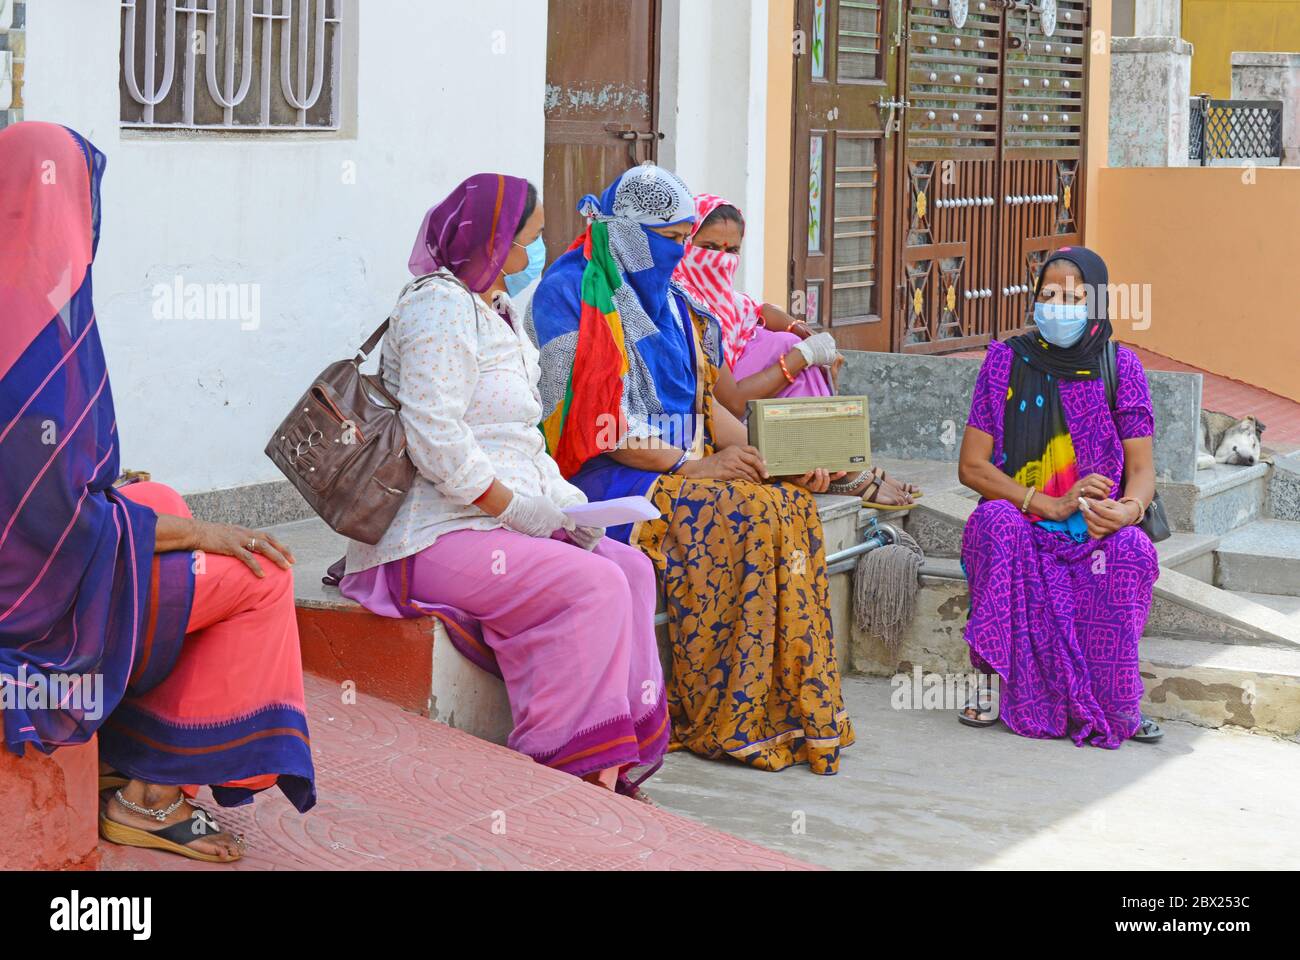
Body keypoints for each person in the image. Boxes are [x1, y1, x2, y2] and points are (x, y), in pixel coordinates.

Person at [0, 122, 315, 864]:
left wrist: (112, 488)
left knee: (164, 498)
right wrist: (206, 535)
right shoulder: (38, 326)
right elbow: (60, 527)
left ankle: (127, 744)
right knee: (264, 574)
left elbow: (38, 491)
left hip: (26, 559)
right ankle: (150, 796)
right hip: (27, 609)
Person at [337, 174, 667, 798]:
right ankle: (567, 761)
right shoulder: (438, 305)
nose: (531, 258)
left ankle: (615, 756)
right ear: (492, 241)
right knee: (593, 583)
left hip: (496, 521)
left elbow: (522, 438)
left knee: (632, 571)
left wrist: (570, 508)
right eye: (530, 242)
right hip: (433, 532)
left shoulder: (497, 310)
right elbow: (435, 438)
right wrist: (517, 512)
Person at [527, 163, 854, 775]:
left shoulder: (679, 306)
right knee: (742, 517)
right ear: (629, 231)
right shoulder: (568, 294)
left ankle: (781, 711)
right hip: (602, 478)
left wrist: (780, 465)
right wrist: (694, 465)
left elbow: (710, 408)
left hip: (681, 464)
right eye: (672, 239)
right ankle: (719, 714)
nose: (681, 255)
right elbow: (599, 427)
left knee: (787, 506)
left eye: (686, 238)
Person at [956, 245, 1163, 747]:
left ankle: (1117, 699)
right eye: (1048, 293)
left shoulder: (1120, 366)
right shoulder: (1007, 361)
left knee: (1133, 550)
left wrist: (1126, 512)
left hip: (1092, 531)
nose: (1057, 305)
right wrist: (1045, 503)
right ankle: (994, 682)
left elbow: (1141, 471)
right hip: (1026, 523)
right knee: (993, 526)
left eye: (1072, 297)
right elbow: (971, 466)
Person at [674, 194, 919, 507]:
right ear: (684, 243)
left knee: (788, 341)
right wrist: (801, 355)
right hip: (710, 417)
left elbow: (760, 309)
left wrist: (800, 330)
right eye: (708, 248)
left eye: (731, 250)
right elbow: (731, 401)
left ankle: (838, 459)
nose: (721, 260)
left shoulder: (728, 302)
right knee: (792, 351)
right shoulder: (683, 303)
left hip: (742, 402)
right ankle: (837, 467)